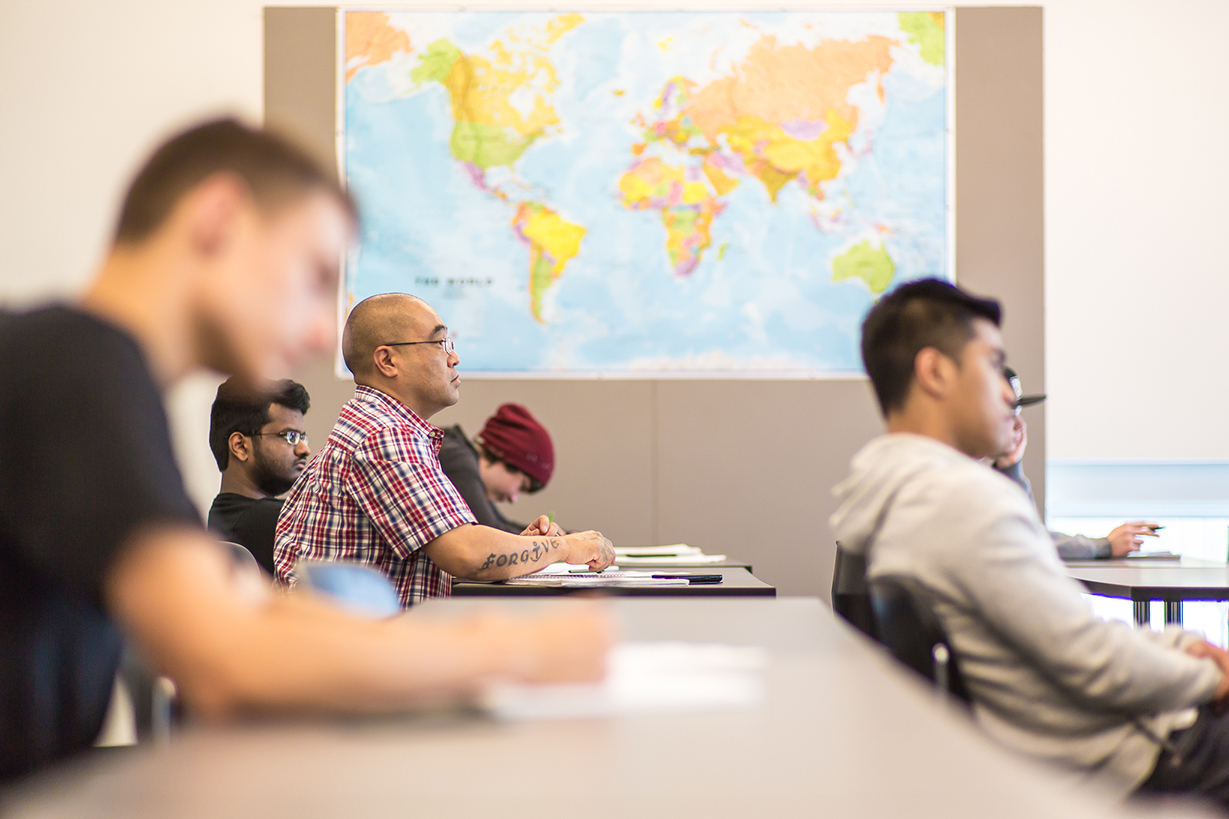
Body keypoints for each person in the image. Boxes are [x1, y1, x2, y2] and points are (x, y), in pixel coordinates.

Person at [0, 118, 611, 783]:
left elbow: (238, 604)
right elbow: (223, 655)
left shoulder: (92, 376)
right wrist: (509, 652)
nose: (323, 331)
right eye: (313, 274)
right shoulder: (77, 370)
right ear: (218, 219)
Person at [829, 278, 1229, 805]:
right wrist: (1208, 677)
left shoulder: (895, 498)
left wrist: (1185, 647)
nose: (1008, 394)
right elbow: (1091, 662)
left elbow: (1063, 637)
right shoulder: (959, 500)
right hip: (1140, 754)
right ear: (935, 372)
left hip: (1075, 745)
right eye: (994, 364)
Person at [273, 293, 615, 608]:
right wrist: (564, 547)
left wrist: (520, 549)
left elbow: (451, 554)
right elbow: (464, 553)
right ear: (388, 361)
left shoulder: (377, 428)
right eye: (440, 343)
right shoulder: (385, 436)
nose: (454, 357)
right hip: (362, 662)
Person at [991, 367, 1161, 559]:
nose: (1019, 425)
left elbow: (1028, 530)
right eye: (1008, 410)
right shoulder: (960, 478)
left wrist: (1010, 464)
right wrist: (1103, 546)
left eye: (1018, 411)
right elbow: (1028, 540)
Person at [207, 377, 312, 573]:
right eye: (290, 436)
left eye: (302, 437)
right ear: (240, 446)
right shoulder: (279, 520)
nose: (304, 448)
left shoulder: (221, 517)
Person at [439, 403, 556, 534]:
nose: (513, 499)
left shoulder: (460, 457)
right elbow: (488, 531)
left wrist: (564, 537)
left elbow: (502, 523)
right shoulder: (456, 460)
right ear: (506, 457)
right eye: (521, 485)